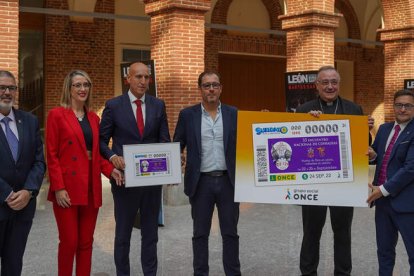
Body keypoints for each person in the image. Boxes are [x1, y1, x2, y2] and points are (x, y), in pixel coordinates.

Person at [295, 65, 374, 276]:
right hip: (314, 183)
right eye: (325, 82)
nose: (330, 86)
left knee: (342, 232)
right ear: (316, 86)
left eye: (334, 82)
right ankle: (308, 272)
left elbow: (364, 145)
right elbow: (295, 146)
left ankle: (343, 272)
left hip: (344, 184)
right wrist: (305, 123)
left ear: (339, 84)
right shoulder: (304, 110)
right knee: (311, 232)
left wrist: (366, 129)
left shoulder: (354, 109)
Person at [46, 70, 123, 276]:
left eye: (86, 85)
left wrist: (111, 170)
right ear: (69, 89)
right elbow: (51, 155)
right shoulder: (56, 115)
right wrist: (58, 187)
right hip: (67, 188)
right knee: (69, 242)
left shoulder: (93, 118)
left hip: (90, 186)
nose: (82, 89)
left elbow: (96, 155)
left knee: (86, 242)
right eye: (78, 85)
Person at [100, 62, 170, 276]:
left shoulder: (158, 105)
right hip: (124, 180)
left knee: (150, 233)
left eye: (146, 77)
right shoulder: (113, 105)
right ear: (127, 79)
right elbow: (102, 141)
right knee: (123, 234)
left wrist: (171, 168)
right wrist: (113, 157)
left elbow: (164, 141)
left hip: (151, 181)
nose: (143, 81)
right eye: (138, 77)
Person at [174, 70, 241, 276]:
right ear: (200, 89)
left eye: (215, 85)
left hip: (229, 182)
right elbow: (177, 144)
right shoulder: (187, 115)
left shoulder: (234, 113)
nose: (211, 89)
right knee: (200, 234)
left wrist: (264, 121)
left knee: (230, 233)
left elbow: (252, 139)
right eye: (206, 85)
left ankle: (233, 273)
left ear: (221, 88)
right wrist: (176, 158)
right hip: (200, 183)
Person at [0, 70, 46, 275]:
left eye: (11, 88)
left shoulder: (29, 121)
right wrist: (7, 194)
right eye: (2, 88)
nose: (7, 92)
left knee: (14, 263)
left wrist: (29, 191)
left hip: (23, 209)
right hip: (1, 202)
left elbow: (38, 161)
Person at [367, 89, 414, 275]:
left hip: (407, 204)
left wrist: (383, 189)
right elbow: (379, 158)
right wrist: (373, 155)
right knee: (384, 252)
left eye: (408, 105)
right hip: (383, 204)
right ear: (393, 106)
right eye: (399, 105)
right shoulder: (385, 129)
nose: (402, 109)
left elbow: (410, 168)